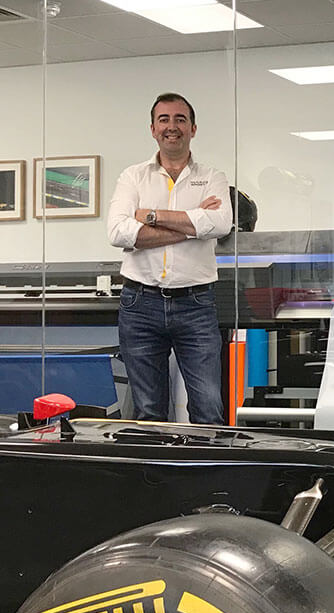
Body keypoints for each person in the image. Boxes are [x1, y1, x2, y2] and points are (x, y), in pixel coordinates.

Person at [108, 92, 235, 424]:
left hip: (196, 303)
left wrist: (149, 215)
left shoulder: (213, 177)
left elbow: (220, 224)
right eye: (164, 120)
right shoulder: (132, 177)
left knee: (208, 409)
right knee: (149, 411)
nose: (172, 127)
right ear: (152, 129)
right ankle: (156, 477)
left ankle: (208, 475)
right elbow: (119, 232)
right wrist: (192, 224)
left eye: (180, 119)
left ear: (193, 128)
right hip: (140, 303)